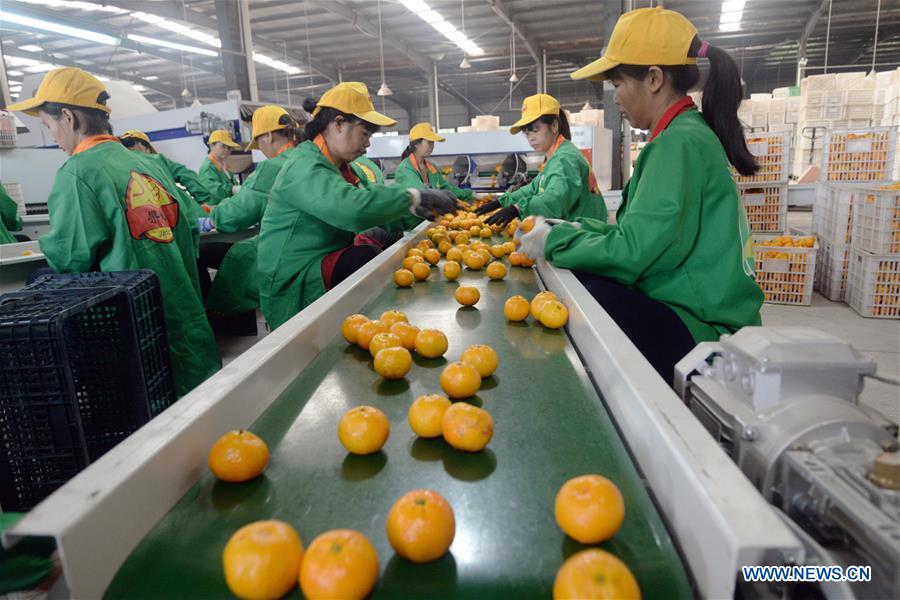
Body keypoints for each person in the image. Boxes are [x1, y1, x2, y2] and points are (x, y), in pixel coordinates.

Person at [515, 7, 764, 384]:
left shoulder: (676, 145)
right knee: (586, 284)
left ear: (654, 79)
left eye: (617, 84)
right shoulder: (684, 134)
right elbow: (638, 233)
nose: (615, 98)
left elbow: (633, 253)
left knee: (588, 300)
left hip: (702, 329)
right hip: (700, 308)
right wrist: (570, 228)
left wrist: (556, 240)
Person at [8, 67, 221, 396]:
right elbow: (190, 231)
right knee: (198, 408)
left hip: (135, 330)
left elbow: (70, 259)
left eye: (48, 125)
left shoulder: (78, 172)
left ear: (68, 117)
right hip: (185, 318)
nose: (52, 136)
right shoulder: (151, 165)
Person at [257, 82, 459, 329]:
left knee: (380, 245)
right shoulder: (304, 165)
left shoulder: (342, 168)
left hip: (322, 258)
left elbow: (372, 202)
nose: (368, 145)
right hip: (295, 275)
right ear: (338, 124)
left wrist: (417, 211)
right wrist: (414, 197)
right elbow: (350, 208)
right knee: (364, 257)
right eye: (365, 134)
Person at [200, 105, 303, 317]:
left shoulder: (271, 167)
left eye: (259, 142)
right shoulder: (306, 158)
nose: (261, 149)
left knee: (205, 252)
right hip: (301, 246)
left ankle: (220, 317)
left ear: (269, 136)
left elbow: (238, 211)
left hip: (280, 251)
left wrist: (211, 220)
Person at [476, 94, 607, 226]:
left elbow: (555, 199)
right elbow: (533, 188)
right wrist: (501, 202)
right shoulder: (555, 156)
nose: (531, 138)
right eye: (527, 133)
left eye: (535, 130)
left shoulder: (565, 158)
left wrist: (517, 209)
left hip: (586, 233)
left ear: (554, 126)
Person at [119, 130, 215, 207]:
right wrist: (203, 200)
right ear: (141, 145)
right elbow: (187, 175)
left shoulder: (121, 168)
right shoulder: (157, 159)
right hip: (179, 212)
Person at [198, 129, 240, 204]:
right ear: (211, 145)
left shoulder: (224, 167)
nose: (227, 150)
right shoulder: (208, 167)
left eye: (229, 147)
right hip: (215, 209)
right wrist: (232, 189)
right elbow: (213, 189)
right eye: (223, 146)